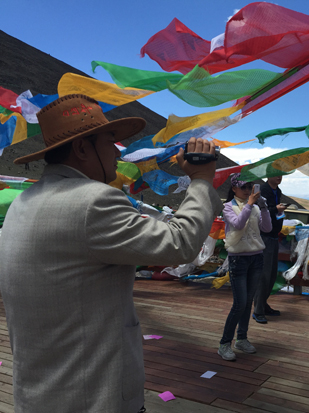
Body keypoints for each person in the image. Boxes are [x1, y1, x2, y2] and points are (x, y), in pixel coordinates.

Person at [0, 94, 222, 413]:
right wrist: (201, 180)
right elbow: (180, 243)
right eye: (109, 142)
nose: (116, 155)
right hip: (91, 397)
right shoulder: (93, 201)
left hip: (38, 393)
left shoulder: (23, 203)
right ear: (81, 148)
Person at [218, 173, 272, 361]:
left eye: (250, 187)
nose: (248, 191)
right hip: (238, 259)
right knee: (239, 303)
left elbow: (267, 229)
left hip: (256, 257)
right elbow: (238, 224)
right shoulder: (227, 207)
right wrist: (250, 204)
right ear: (233, 189)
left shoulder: (256, 208)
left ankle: (242, 338)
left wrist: (263, 207)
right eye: (244, 188)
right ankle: (225, 343)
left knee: (248, 301)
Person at [253, 175, 288, 324]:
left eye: (281, 174)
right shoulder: (263, 190)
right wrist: (276, 209)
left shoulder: (277, 191)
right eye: (276, 174)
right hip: (264, 236)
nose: (279, 177)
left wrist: (279, 211)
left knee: (272, 274)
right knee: (264, 275)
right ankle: (258, 311)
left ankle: (263, 305)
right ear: (268, 176)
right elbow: (259, 209)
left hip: (274, 236)